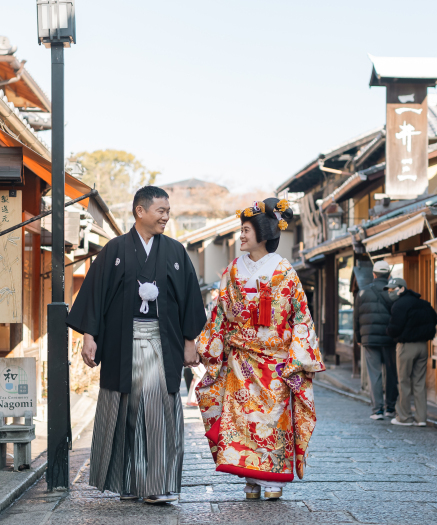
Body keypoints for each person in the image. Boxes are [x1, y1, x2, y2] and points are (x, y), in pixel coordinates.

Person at [66, 185, 207, 504]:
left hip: (162, 343)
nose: (166, 217)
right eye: (161, 211)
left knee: (157, 412)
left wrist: (189, 342)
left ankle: (155, 485)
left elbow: (189, 299)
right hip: (121, 343)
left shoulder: (174, 252)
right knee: (124, 412)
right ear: (140, 211)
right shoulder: (114, 250)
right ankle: (126, 481)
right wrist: (89, 335)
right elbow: (95, 295)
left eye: (168, 212)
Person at [196, 199, 325, 501]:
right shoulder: (232, 271)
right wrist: (209, 346)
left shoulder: (284, 271)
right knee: (242, 418)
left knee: (274, 418)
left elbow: (301, 316)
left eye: (245, 231)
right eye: (240, 231)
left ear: (263, 234)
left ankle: (273, 479)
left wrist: (298, 356)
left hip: (276, 361)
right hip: (241, 360)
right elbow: (219, 314)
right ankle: (250, 477)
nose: (240, 236)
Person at [384, 278, 437, 427]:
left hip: (406, 346)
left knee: (404, 382)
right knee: (420, 383)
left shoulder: (399, 305)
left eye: (392, 289)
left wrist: (389, 332)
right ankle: (421, 418)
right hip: (423, 346)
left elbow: (394, 327)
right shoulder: (423, 303)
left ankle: (404, 417)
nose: (390, 293)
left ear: (401, 289)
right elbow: (434, 319)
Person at [355, 260, 398, 421]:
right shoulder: (393, 292)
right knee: (391, 373)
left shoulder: (363, 292)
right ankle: (390, 408)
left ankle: (377, 409)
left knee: (375, 374)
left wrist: (359, 338)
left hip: (369, 339)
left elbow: (356, 318)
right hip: (390, 338)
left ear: (373, 274)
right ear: (388, 275)